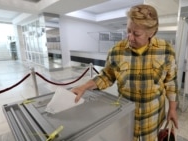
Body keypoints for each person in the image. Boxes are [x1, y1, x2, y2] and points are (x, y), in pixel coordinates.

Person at [71, 4, 178, 141]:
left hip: (153, 118)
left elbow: (171, 82)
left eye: (136, 34)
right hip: (126, 116)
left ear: (152, 32)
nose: (130, 37)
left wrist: (173, 109)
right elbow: (106, 76)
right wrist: (83, 87)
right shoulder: (117, 50)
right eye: (128, 31)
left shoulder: (166, 50)